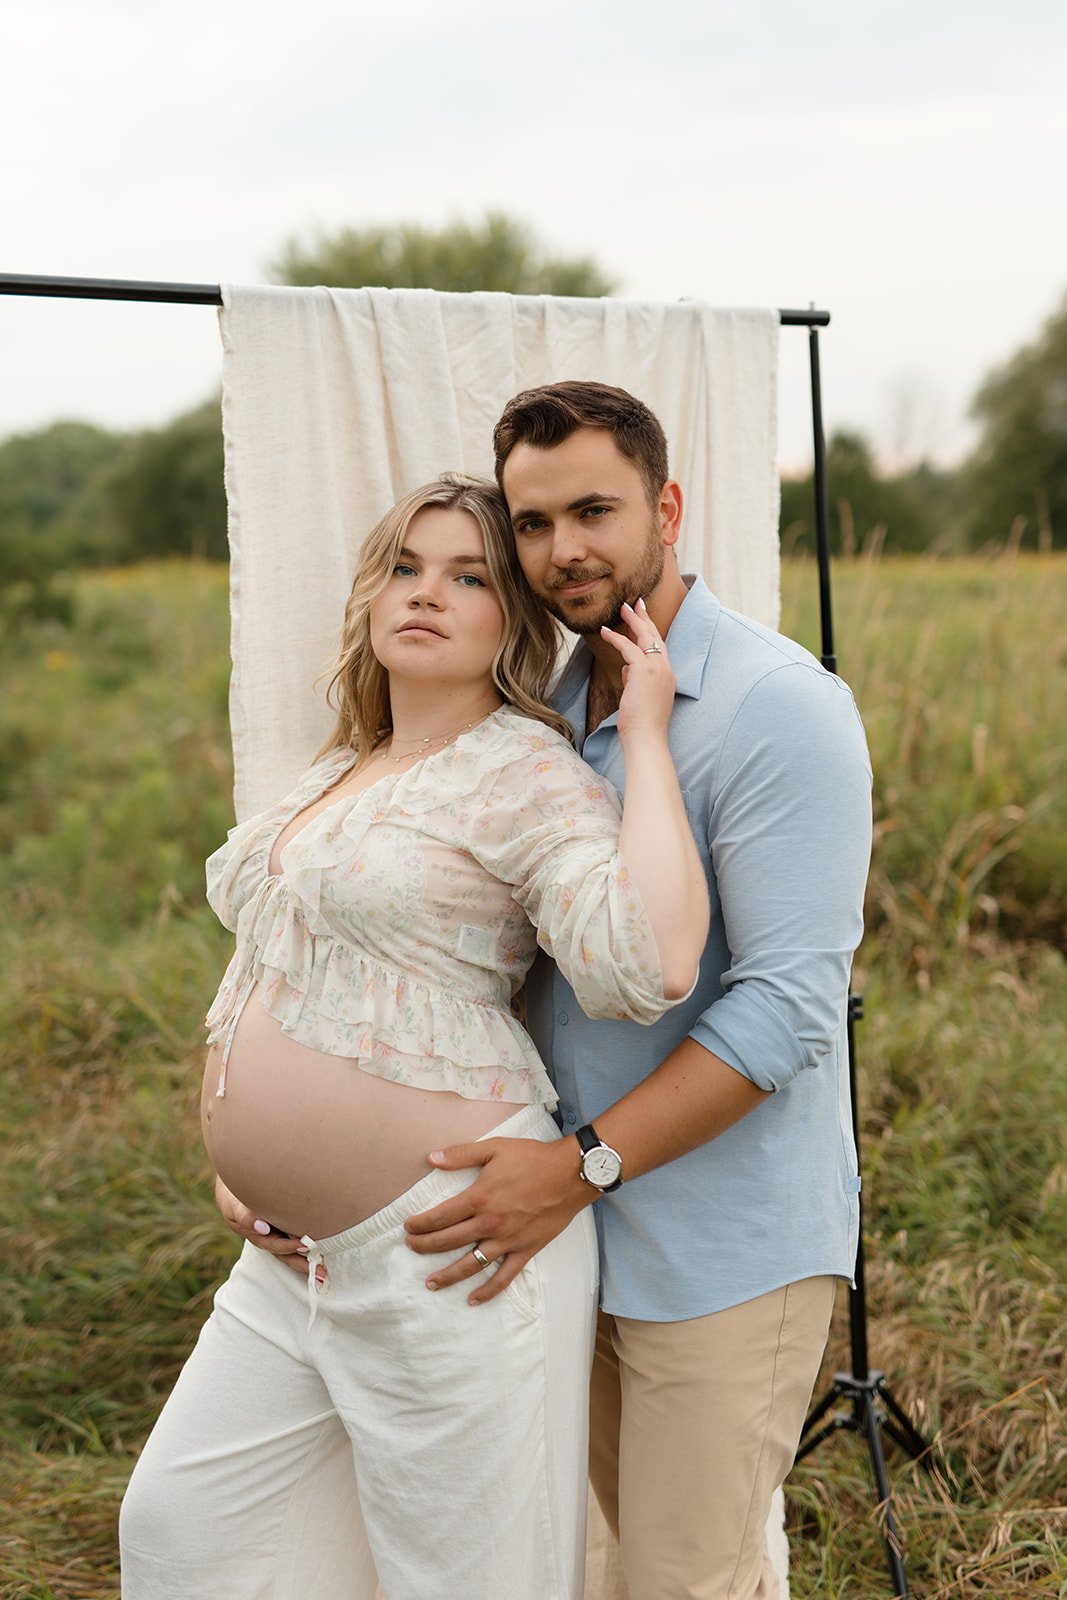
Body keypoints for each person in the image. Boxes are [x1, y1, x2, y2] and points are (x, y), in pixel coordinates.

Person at [118, 470, 709, 1600]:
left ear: (512, 619)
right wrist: (230, 1158)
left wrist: (643, 736)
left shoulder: (528, 774)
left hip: (448, 1257)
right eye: (404, 566)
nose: (424, 593)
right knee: (183, 1537)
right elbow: (268, 963)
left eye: (468, 575)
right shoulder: (339, 767)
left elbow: (651, 962)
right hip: (288, 1260)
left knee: (464, 1579)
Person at [398, 385, 875, 1600]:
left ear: (664, 506)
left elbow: (783, 1012)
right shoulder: (544, 710)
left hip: (724, 1250)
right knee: (636, 1567)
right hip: (576, 1240)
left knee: (682, 1581)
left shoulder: (779, 708)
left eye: (594, 510)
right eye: (534, 521)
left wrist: (577, 1166)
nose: (564, 550)